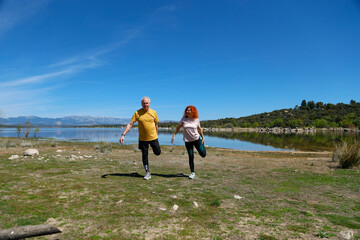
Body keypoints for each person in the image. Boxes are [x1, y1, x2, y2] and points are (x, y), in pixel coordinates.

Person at [119, 96, 161, 180]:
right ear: (141, 104)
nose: (145, 105)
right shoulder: (137, 113)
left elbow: (156, 125)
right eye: (144, 103)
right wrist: (123, 135)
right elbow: (130, 124)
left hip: (153, 138)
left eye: (147, 103)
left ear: (149, 104)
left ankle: (153, 147)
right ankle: (147, 172)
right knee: (144, 155)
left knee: (157, 152)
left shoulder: (154, 112)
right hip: (143, 139)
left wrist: (156, 135)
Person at [171, 105, 206, 179]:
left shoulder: (196, 119)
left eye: (189, 110)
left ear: (193, 111)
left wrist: (203, 137)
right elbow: (178, 127)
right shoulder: (183, 119)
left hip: (197, 139)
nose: (187, 111)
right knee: (191, 156)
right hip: (188, 141)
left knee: (203, 154)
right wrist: (174, 135)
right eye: (186, 110)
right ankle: (192, 173)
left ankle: (203, 147)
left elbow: (199, 129)